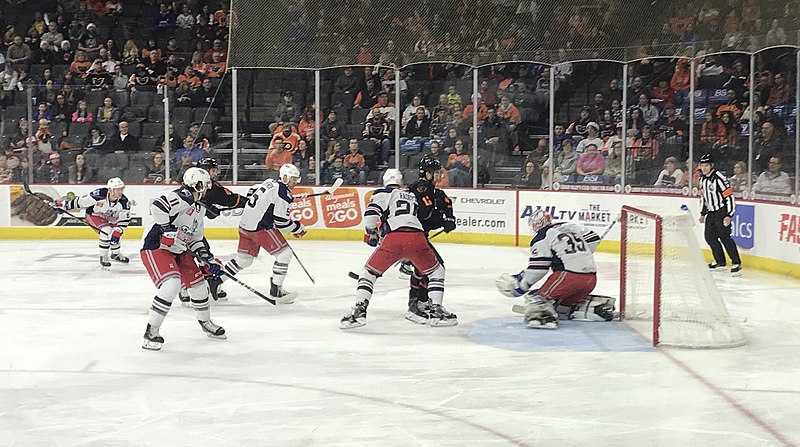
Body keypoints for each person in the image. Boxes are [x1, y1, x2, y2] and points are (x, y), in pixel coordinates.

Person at [340, 169, 457, 329]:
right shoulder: (410, 196)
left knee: (368, 273)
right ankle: (436, 312)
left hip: (394, 239)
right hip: (417, 237)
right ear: (401, 182)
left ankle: (359, 312)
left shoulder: (383, 192)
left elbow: (371, 216)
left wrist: (372, 233)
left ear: (385, 181)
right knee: (436, 272)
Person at [140, 167, 226, 351]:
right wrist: (167, 228)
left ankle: (206, 323)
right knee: (171, 285)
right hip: (157, 247)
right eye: (205, 184)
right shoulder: (183, 195)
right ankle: (151, 332)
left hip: (179, 250)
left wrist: (206, 258)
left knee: (199, 287)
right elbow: (158, 206)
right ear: (198, 184)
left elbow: (195, 239)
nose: (207, 188)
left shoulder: (199, 208)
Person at [494, 209, 611, 329]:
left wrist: (521, 285)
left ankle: (543, 318)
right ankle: (588, 308)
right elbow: (593, 239)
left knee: (536, 297)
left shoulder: (542, 236)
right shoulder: (568, 227)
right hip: (591, 279)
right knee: (561, 305)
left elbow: (538, 269)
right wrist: (579, 255)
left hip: (569, 277)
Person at [211, 164, 307, 304]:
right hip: (260, 229)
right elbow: (281, 221)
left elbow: (253, 190)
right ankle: (276, 290)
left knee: (244, 259)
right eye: (293, 179)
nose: (295, 182)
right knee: (284, 254)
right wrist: (297, 228)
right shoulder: (283, 193)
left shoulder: (269, 182)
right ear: (285, 177)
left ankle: (216, 281)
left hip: (245, 226)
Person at [401, 157, 457, 324]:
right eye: (434, 172)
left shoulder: (434, 192)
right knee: (434, 268)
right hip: (412, 235)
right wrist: (442, 221)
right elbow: (426, 214)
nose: (438, 174)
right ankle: (419, 304)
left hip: (418, 236)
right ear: (426, 173)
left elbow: (445, 209)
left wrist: (449, 219)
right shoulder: (421, 188)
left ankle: (420, 302)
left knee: (424, 268)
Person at [55, 177, 132, 268]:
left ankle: (115, 254)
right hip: (94, 215)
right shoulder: (98, 195)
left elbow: (124, 220)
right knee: (106, 231)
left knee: (115, 233)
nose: (120, 192)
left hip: (111, 219)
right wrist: (63, 205)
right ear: (110, 190)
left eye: (121, 189)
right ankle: (103, 257)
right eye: (117, 189)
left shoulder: (124, 202)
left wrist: (118, 230)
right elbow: (80, 202)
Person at [698, 153, 742, 276]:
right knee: (709, 237)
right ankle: (720, 262)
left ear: (711, 165)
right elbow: (703, 197)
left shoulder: (719, 178)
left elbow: (729, 197)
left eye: (707, 165)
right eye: (702, 165)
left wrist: (729, 215)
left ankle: (736, 263)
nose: (704, 168)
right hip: (711, 213)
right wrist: (703, 213)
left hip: (722, 211)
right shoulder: (702, 179)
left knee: (724, 237)